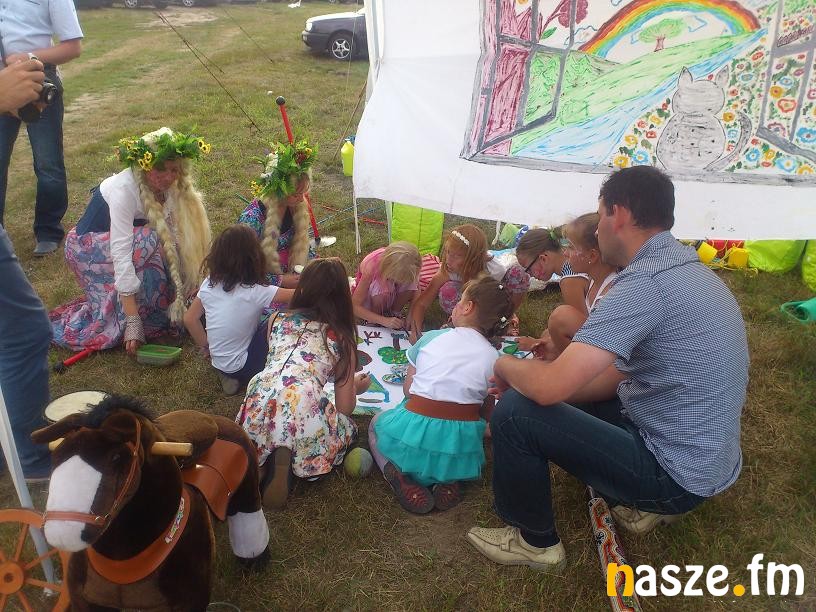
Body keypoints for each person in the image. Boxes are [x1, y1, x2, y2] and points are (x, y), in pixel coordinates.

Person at [467, 166, 749, 571]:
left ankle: (534, 542)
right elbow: (601, 380)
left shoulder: (643, 285)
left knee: (515, 413)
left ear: (619, 214)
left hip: (674, 474)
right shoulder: (689, 270)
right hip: (708, 461)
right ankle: (645, 505)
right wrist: (540, 384)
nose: (597, 229)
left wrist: (504, 365)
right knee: (564, 393)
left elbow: (549, 388)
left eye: (600, 216)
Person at [50, 127, 212, 354]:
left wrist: (188, 284)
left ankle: (161, 310)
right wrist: (132, 319)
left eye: (174, 170)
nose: (168, 177)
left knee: (159, 242)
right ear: (144, 165)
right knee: (149, 241)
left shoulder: (169, 186)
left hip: (134, 240)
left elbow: (173, 237)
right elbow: (121, 252)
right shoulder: (124, 189)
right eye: (160, 169)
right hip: (87, 248)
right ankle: (141, 317)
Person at [370, 275, 514, 514]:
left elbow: (408, 390)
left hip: (411, 437)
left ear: (468, 307)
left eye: (460, 301)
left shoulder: (430, 338)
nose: (456, 305)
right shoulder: (494, 358)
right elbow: (487, 411)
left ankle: (396, 473)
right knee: (468, 433)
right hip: (457, 446)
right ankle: (449, 479)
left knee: (376, 424)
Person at [236, 258, 371, 510]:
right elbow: (344, 407)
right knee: (346, 427)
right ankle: (289, 457)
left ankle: (261, 462)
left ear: (303, 287)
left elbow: (285, 366)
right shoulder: (341, 337)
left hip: (260, 391)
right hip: (303, 399)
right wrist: (355, 387)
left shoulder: (276, 319)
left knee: (273, 419)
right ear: (343, 295)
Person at [0, 0, 83, 255]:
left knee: (48, 162)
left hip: (38, 77)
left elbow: (73, 47)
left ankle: (48, 230)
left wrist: (28, 57)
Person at [184, 225, 294, 396]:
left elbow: (190, 319)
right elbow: (299, 295)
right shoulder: (255, 291)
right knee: (276, 319)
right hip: (246, 365)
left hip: (218, 362)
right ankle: (270, 369)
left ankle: (227, 375)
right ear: (254, 258)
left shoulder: (209, 282)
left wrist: (207, 348)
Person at [408, 224, 528, 341]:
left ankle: (506, 318)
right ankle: (460, 321)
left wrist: (505, 315)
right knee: (448, 291)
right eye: (448, 252)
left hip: (489, 302)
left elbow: (499, 298)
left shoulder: (495, 270)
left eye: (456, 256)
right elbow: (422, 303)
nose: (448, 259)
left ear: (473, 258)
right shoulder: (447, 270)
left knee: (518, 274)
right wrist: (415, 332)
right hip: (467, 301)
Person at [523, 214, 618, 359]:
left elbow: (583, 332)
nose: (565, 253)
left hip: (601, 357)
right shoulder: (595, 280)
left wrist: (548, 347)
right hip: (597, 346)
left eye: (571, 247)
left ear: (592, 256)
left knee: (560, 319)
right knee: (548, 332)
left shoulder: (605, 293)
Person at [239, 139, 317, 288]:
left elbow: (305, 245)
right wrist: (280, 281)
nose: (302, 199)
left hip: (292, 276)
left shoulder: (295, 208)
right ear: (279, 192)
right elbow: (243, 269)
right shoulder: (251, 220)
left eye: (303, 193)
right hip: (261, 286)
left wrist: (313, 265)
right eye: (296, 194)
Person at [352, 241, 421, 329]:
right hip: (372, 298)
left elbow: (417, 289)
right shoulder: (371, 268)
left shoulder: (412, 265)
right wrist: (383, 320)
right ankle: (373, 320)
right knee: (381, 291)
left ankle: (394, 313)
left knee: (410, 285)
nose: (400, 282)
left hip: (391, 293)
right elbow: (354, 306)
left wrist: (411, 315)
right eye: (398, 279)